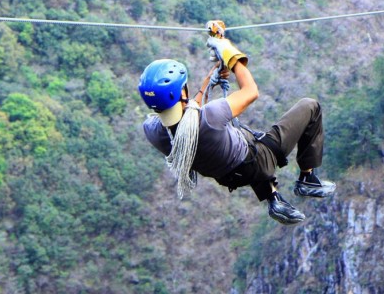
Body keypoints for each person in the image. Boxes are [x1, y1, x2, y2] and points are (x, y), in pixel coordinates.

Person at [138, 20, 335, 225]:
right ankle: (307, 178)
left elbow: (185, 115)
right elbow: (251, 91)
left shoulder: (154, 132)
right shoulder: (212, 116)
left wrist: (209, 80)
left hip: (226, 175)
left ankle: (273, 197)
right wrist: (230, 54)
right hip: (255, 161)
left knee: (244, 139)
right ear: (182, 92)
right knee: (310, 107)